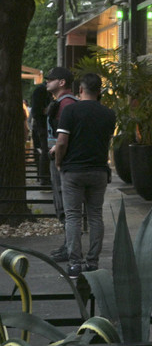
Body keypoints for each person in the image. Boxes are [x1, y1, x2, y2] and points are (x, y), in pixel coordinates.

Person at [55, 73, 116, 279]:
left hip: (73, 171)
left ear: (80, 90)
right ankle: (92, 262)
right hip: (98, 170)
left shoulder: (71, 111)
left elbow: (62, 142)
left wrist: (58, 163)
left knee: (72, 216)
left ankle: (74, 264)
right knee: (95, 216)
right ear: (99, 91)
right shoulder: (109, 114)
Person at [45, 67, 78, 262]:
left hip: (61, 159)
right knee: (63, 203)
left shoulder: (66, 104)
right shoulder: (64, 103)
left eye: (51, 79)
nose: (47, 81)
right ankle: (69, 244)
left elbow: (65, 136)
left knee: (64, 204)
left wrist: (57, 156)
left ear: (62, 82)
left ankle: (70, 246)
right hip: (60, 156)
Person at [30, 83, 52, 186]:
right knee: (45, 150)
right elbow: (37, 111)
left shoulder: (42, 90)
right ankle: (45, 178)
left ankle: (44, 177)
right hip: (43, 126)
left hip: (42, 126)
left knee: (44, 150)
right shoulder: (41, 91)